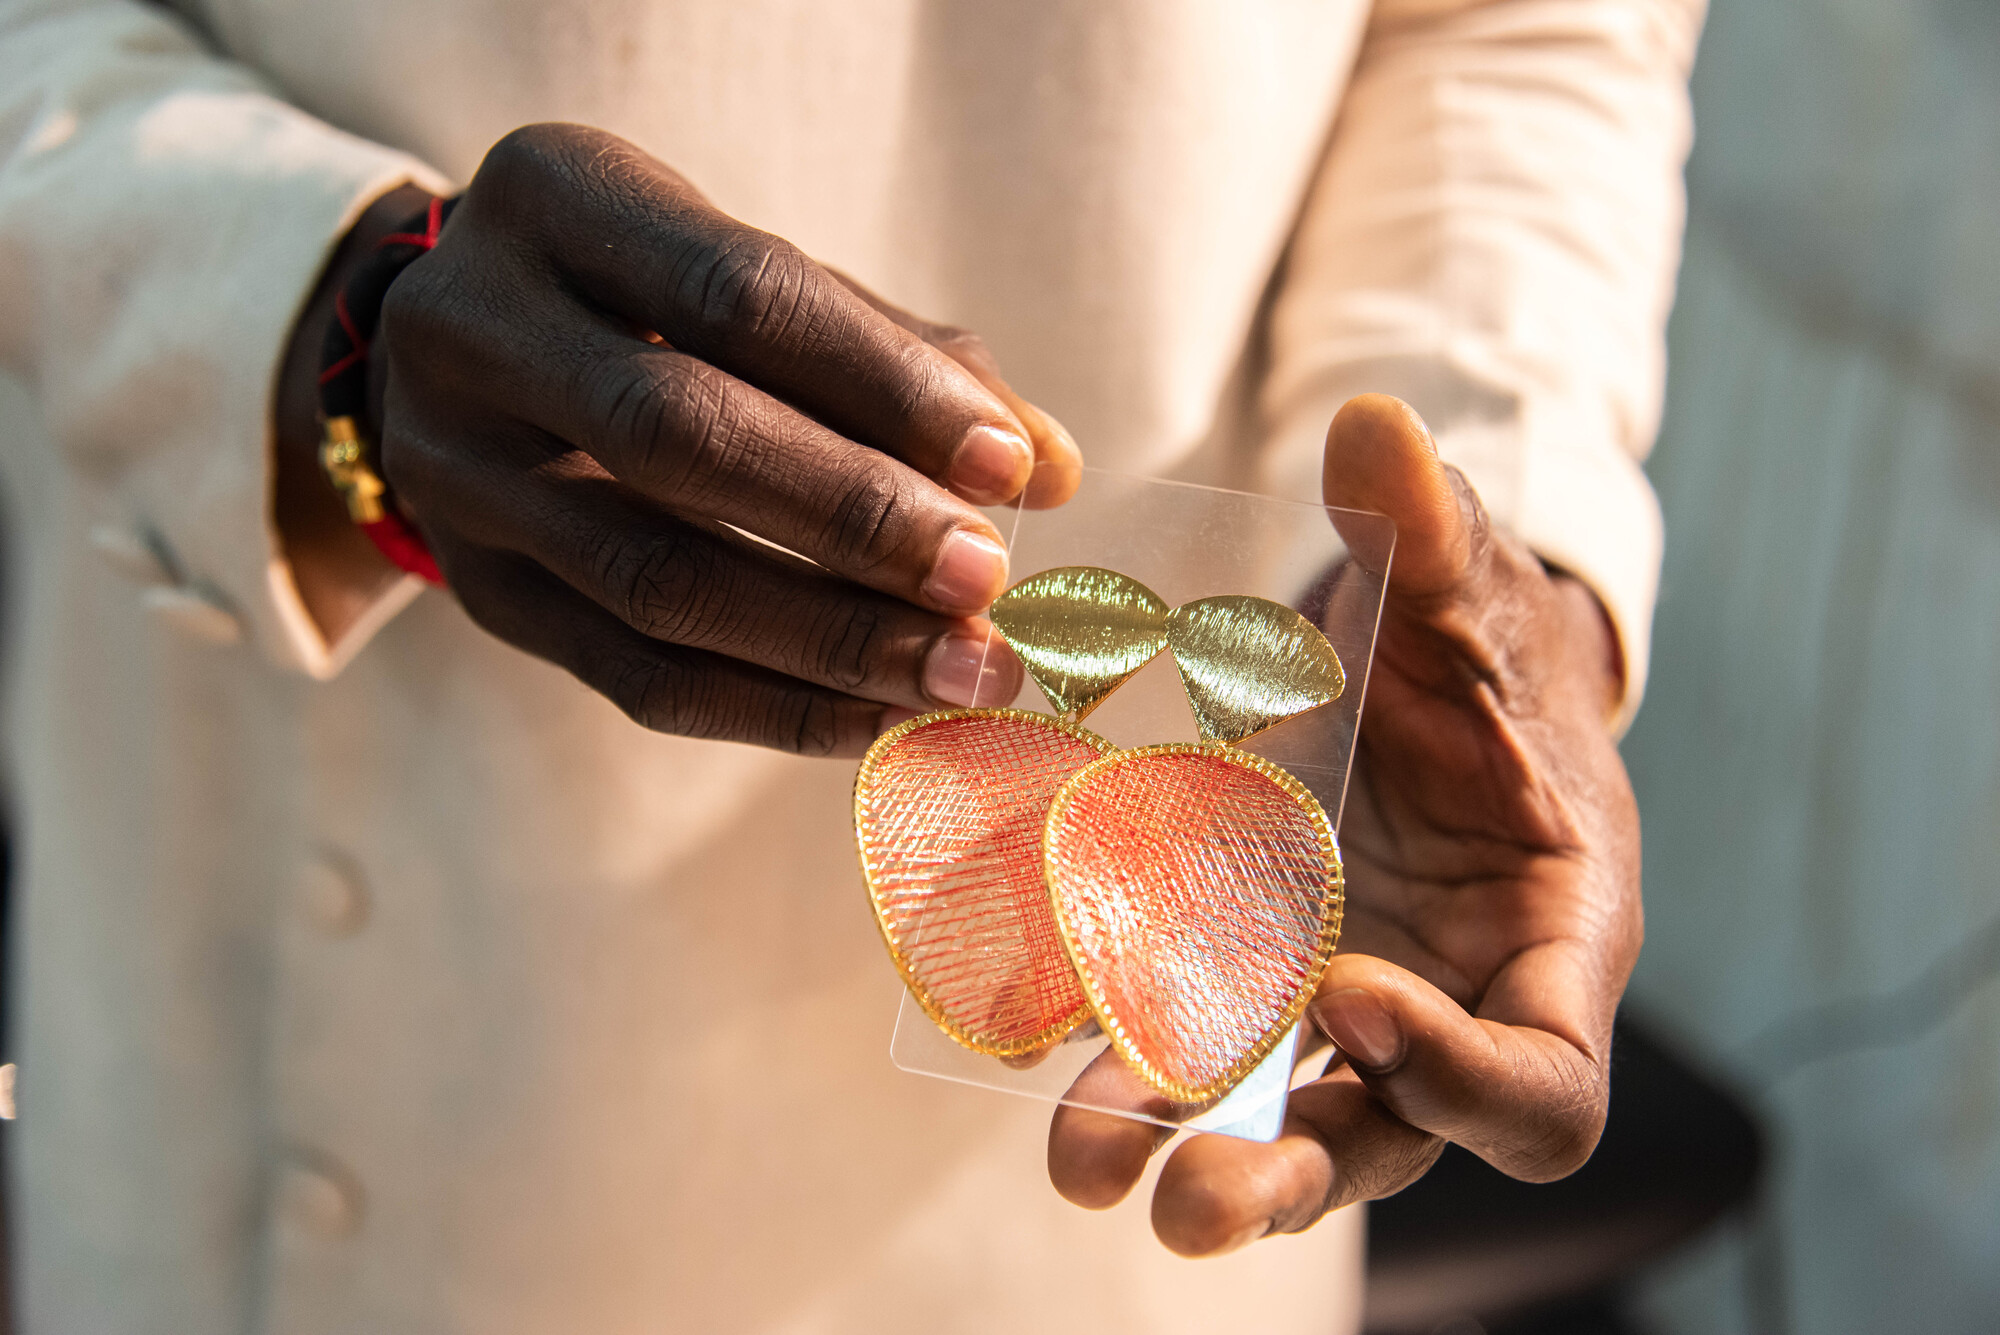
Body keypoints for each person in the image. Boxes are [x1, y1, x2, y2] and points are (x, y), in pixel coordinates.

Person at [0, 1, 1702, 1330]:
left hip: (1142, 1062)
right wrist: (316, 307)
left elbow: (1512, 32)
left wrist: (1482, 522)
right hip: (363, 1003)